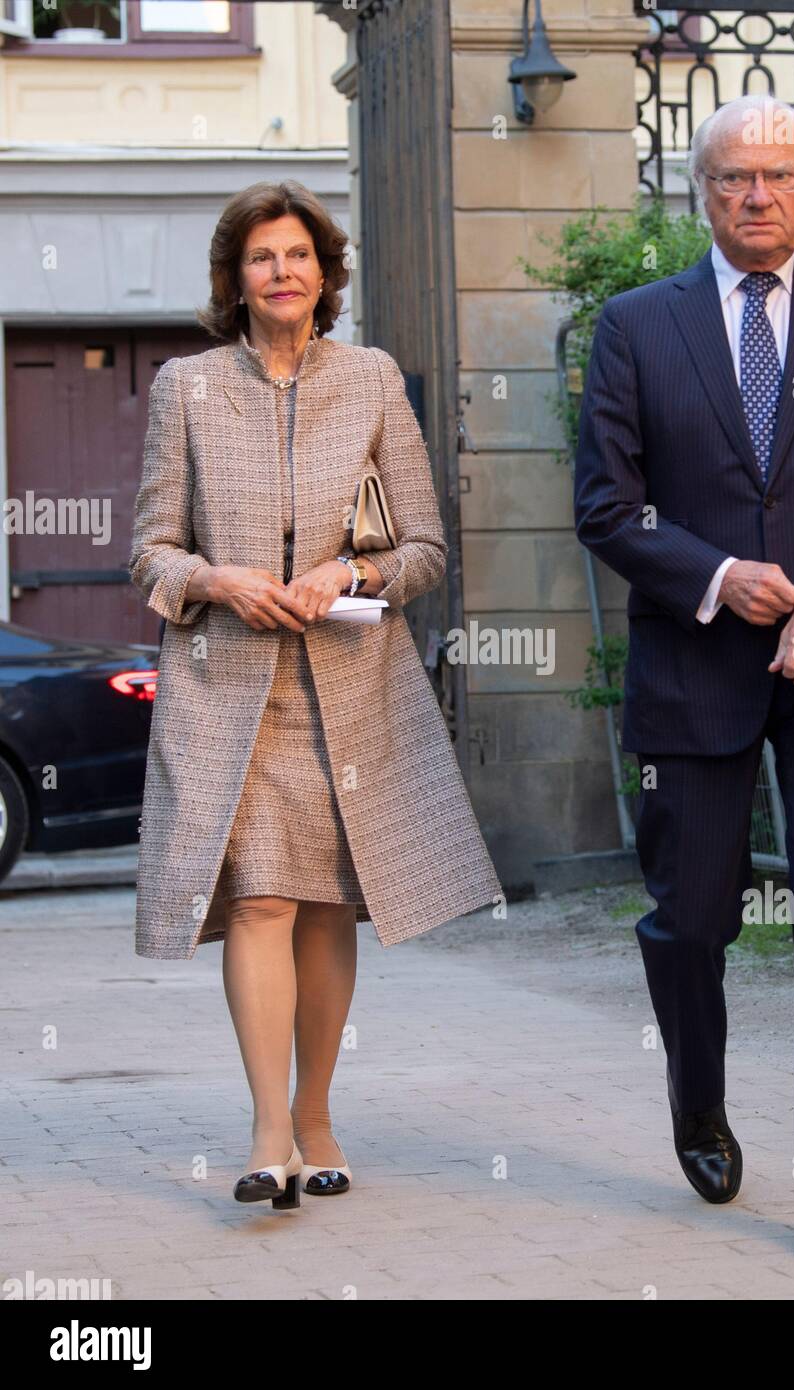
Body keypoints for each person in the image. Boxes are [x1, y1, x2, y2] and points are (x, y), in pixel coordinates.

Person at [573, 96, 794, 1260]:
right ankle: (695, 1101)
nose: (756, 196)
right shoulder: (633, 325)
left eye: (777, 175)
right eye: (732, 179)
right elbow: (606, 509)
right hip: (694, 669)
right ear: (700, 193)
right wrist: (722, 573)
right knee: (690, 921)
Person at [130, 180, 502, 1210]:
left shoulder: (373, 379)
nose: (281, 272)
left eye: (297, 254)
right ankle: (264, 1134)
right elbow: (149, 551)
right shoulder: (186, 386)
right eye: (261, 258)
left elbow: (424, 549)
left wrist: (350, 574)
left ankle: (318, 1114)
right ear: (234, 279)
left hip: (346, 686)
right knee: (255, 893)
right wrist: (216, 580)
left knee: (327, 902)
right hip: (226, 688)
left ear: (325, 272)